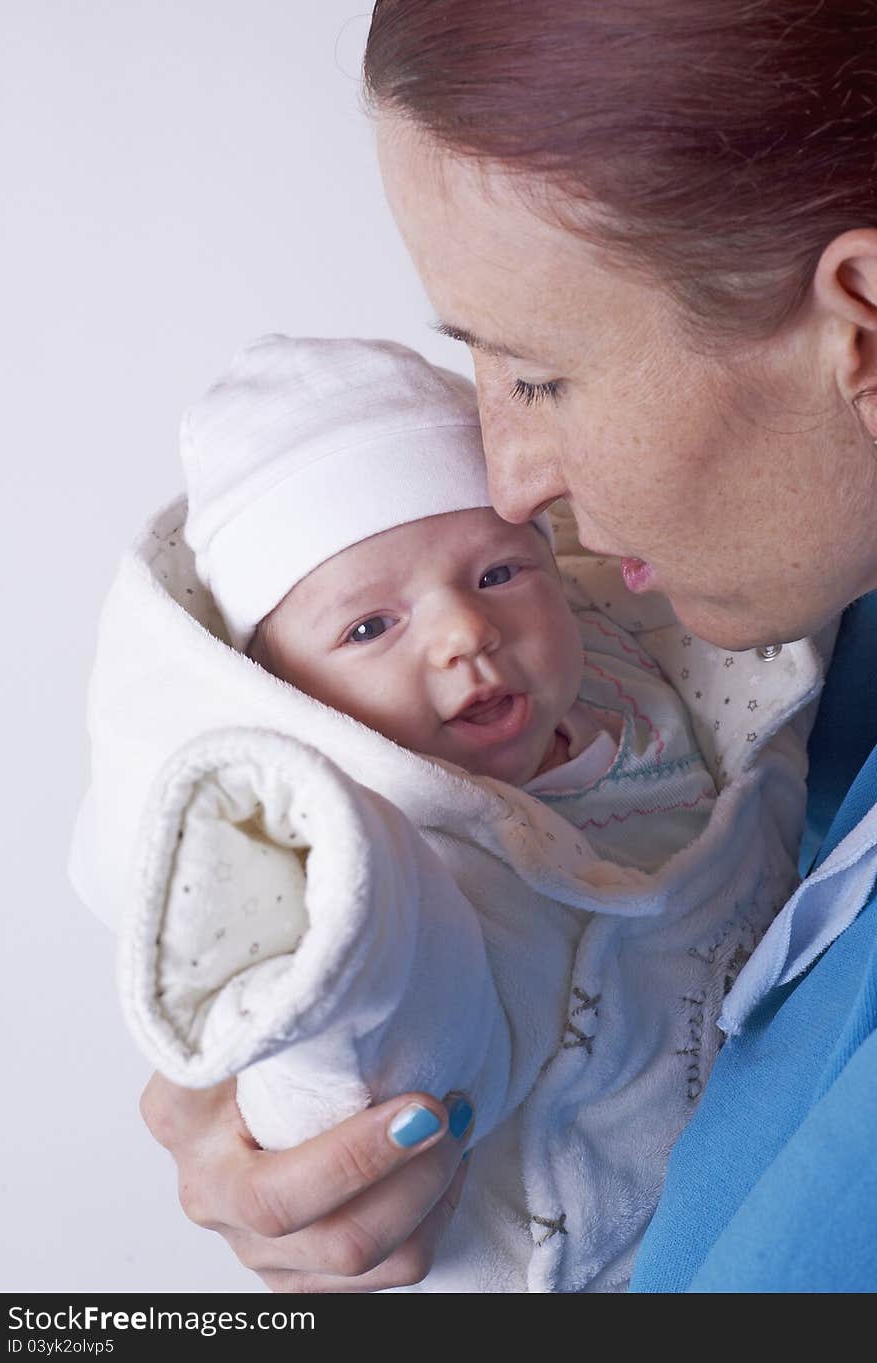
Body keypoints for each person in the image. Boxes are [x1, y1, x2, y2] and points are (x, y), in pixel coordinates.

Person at [134, 0, 877, 1292]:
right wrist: (303, 1055)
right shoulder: (811, 640)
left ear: (862, 321)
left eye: (535, 376)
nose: (509, 478)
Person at [72, 332, 817, 1291]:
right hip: (580, 1233)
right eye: (370, 626)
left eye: (500, 572)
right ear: (286, 692)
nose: (468, 631)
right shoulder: (416, 848)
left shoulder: (642, 665)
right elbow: (428, 1036)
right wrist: (337, 950)